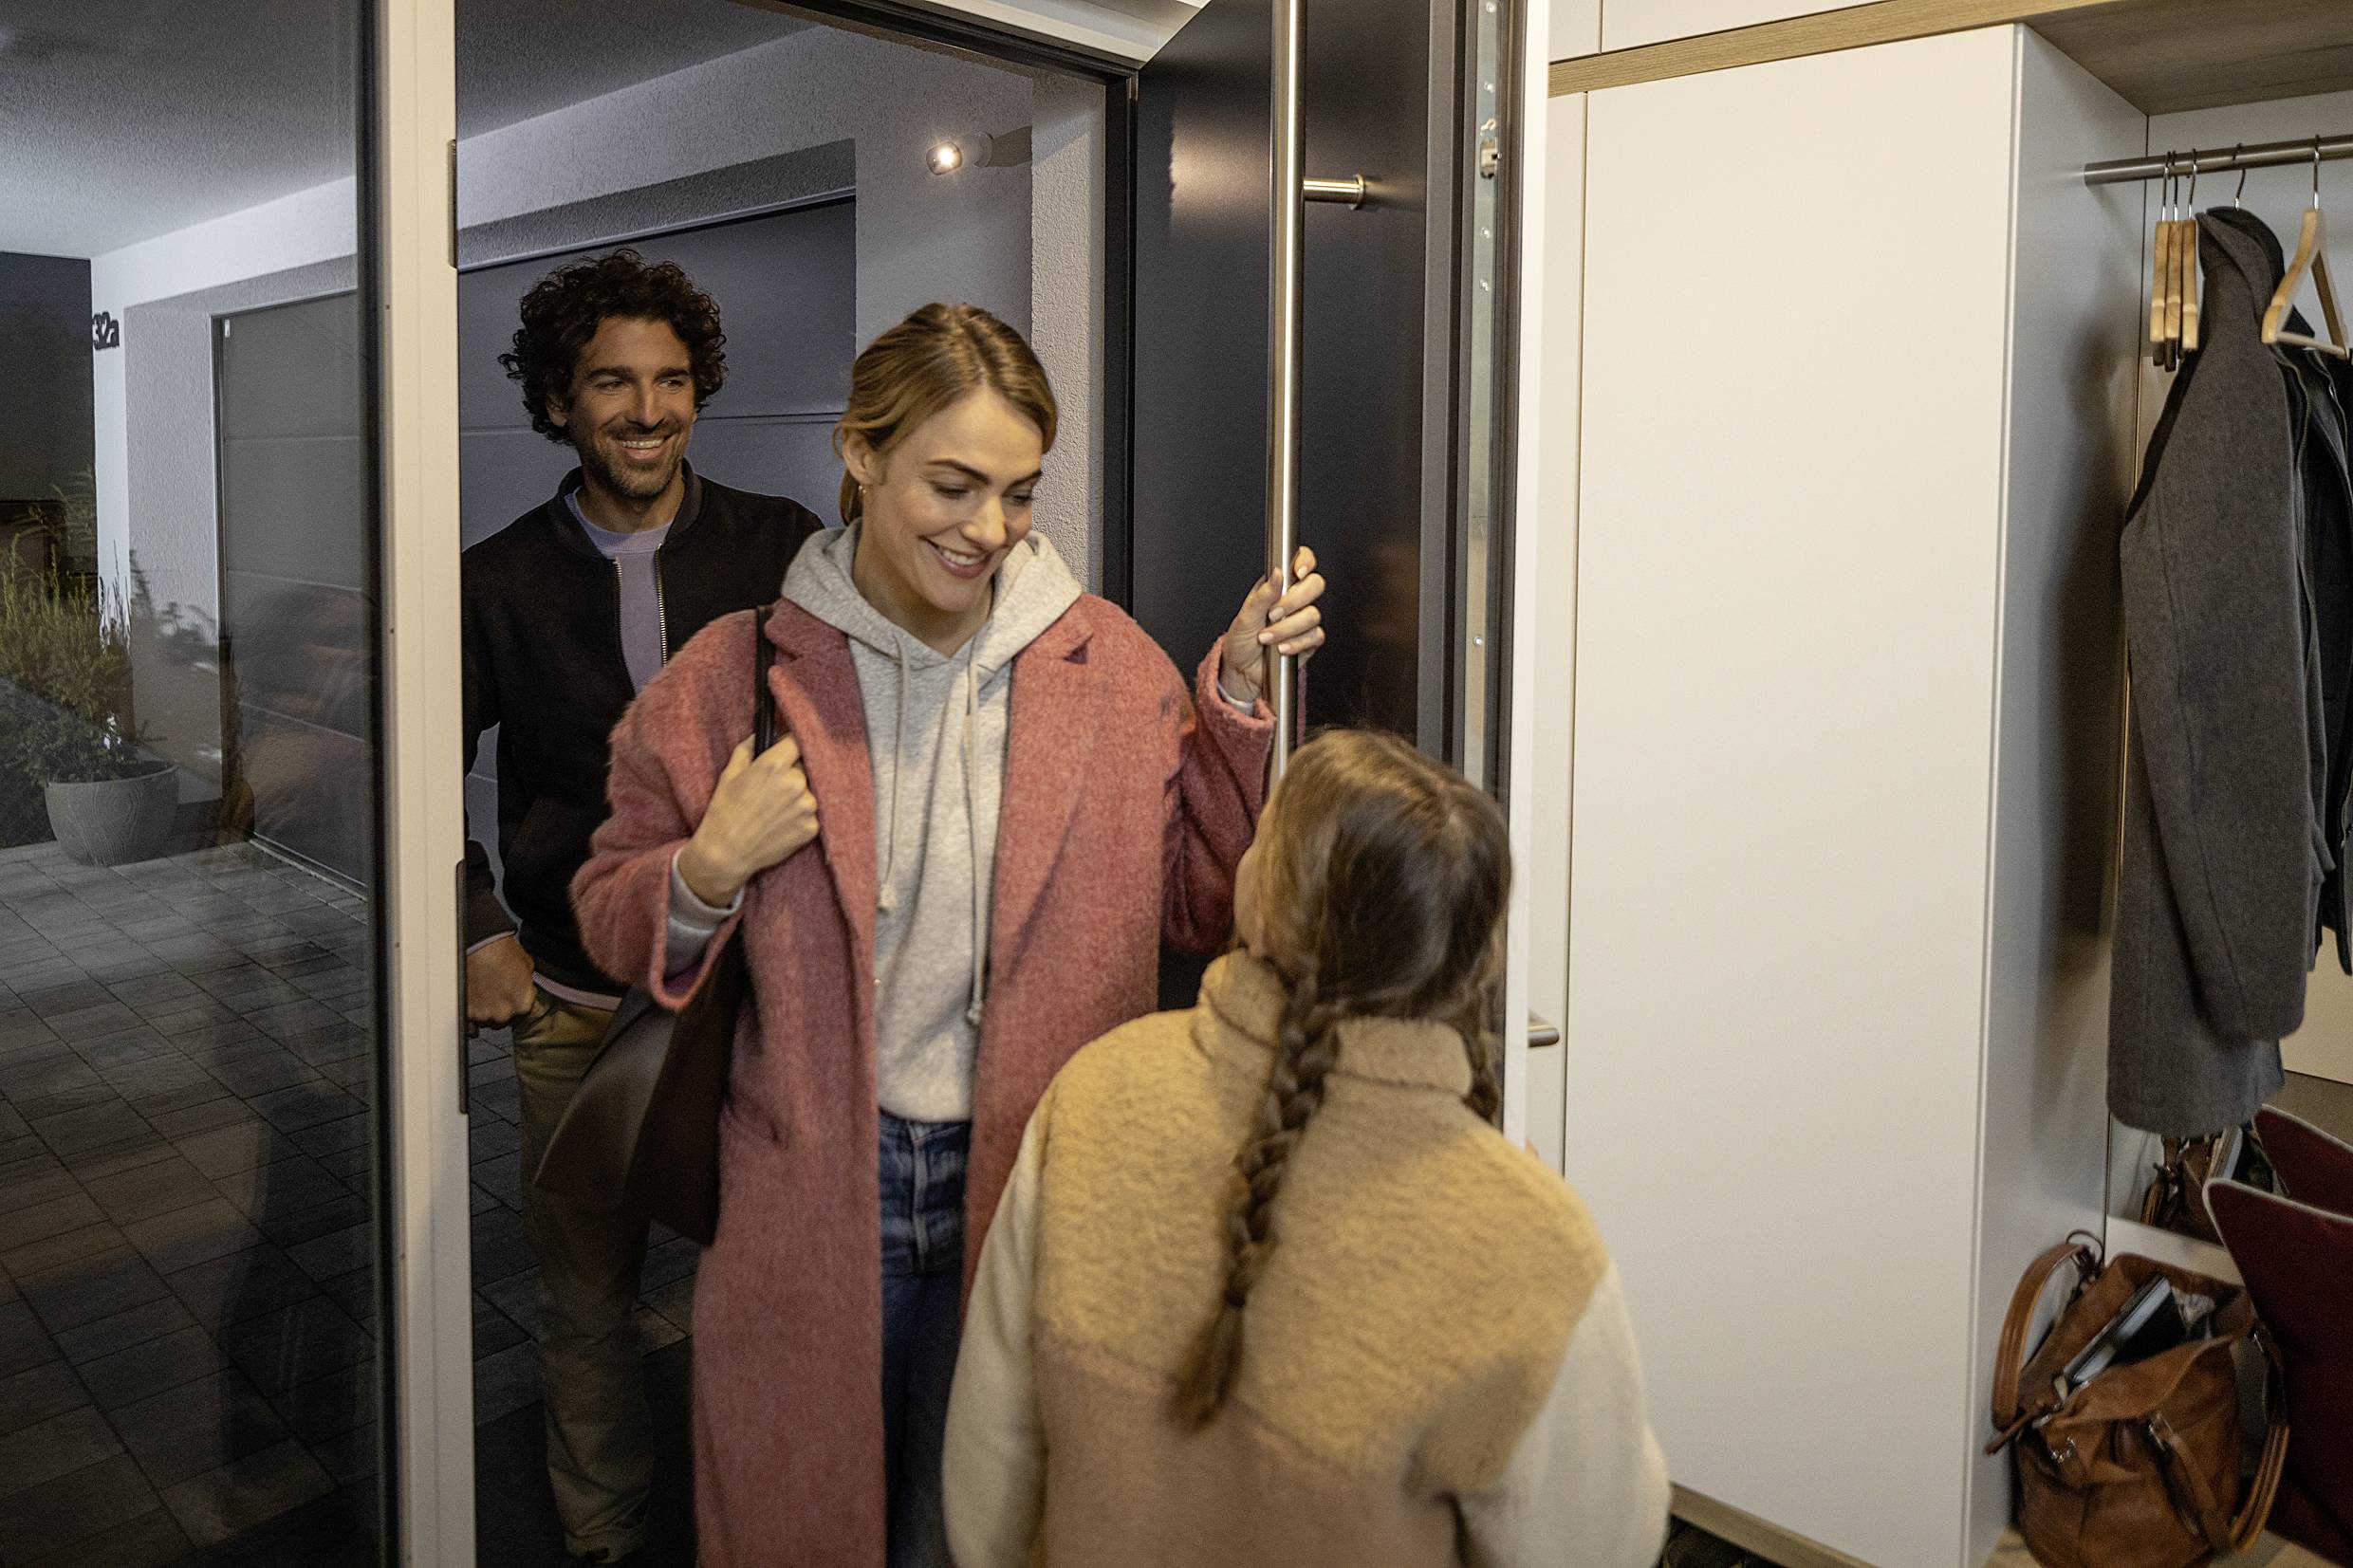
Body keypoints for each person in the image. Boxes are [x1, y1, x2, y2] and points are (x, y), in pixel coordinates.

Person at [571, 301, 1326, 1568]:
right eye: (954, 484)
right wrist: (702, 870)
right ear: (859, 453)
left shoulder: (1107, 662)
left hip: (1034, 1172)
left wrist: (1238, 692)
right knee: (803, 1519)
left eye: (1020, 494)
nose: (988, 530)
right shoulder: (733, 675)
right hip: (819, 1181)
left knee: (974, 1531)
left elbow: (1206, 902)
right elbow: (606, 904)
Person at [939, 729, 1672, 1568]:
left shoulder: (1092, 1098)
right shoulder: (1537, 1245)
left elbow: (983, 1489)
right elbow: (1603, 1542)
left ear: (1268, 908)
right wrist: (1518, 1217)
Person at [460, 249, 824, 1565]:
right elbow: (403, 771)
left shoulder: (782, 543)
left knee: (770, 1284)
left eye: (671, 380)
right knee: (589, 1306)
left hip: (753, 1000)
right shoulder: (493, 580)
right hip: (578, 1010)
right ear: (559, 399)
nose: (647, 408)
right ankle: (606, 1540)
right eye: (612, 381)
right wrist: (470, 925)